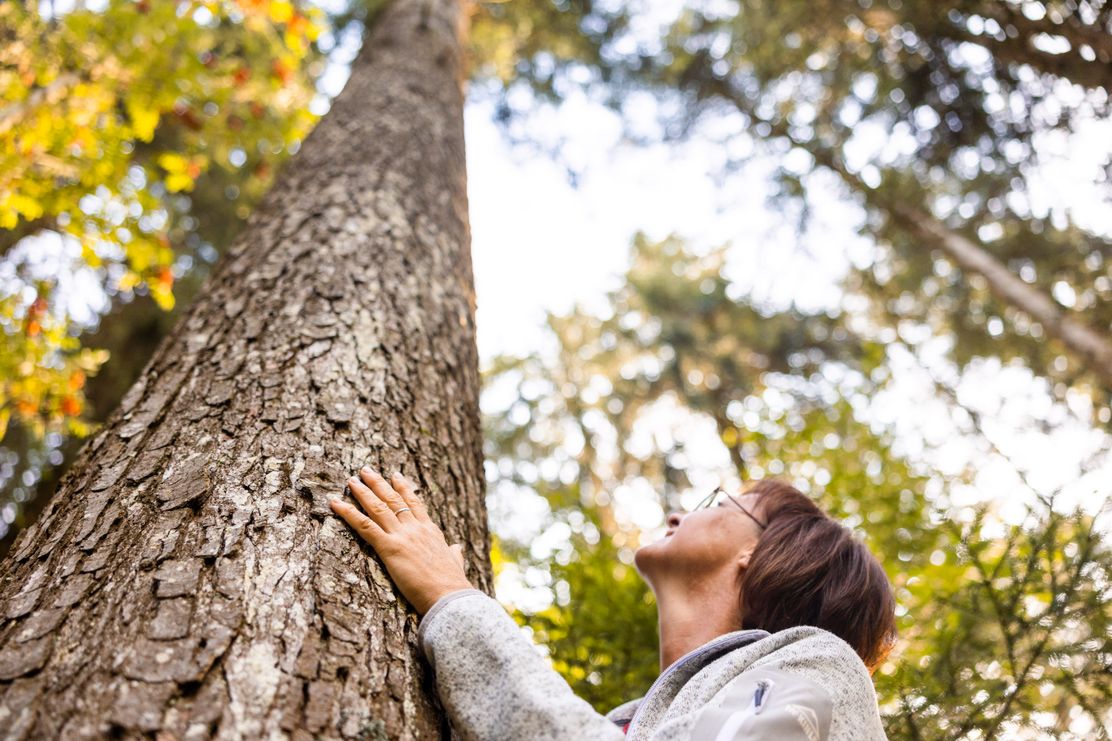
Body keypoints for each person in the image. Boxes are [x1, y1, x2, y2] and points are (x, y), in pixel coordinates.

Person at [330, 467, 896, 740]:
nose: (677, 514)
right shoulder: (626, 723)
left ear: (759, 550)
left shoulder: (822, 664)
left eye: (719, 503)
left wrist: (452, 598)